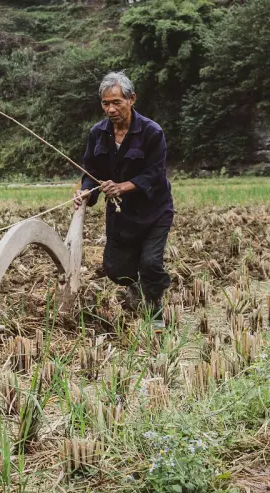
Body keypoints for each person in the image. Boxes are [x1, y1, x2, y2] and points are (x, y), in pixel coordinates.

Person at [74, 71, 174, 329]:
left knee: (150, 263)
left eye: (117, 102)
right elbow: (91, 172)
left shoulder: (152, 132)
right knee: (115, 269)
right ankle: (138, 290)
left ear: (132, 99)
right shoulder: (98, 133)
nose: (111, 109)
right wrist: (86, 192)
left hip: (154, 211)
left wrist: (122, 187)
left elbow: (154, 173)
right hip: (121, 214)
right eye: (106, 103)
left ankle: (155, 315)